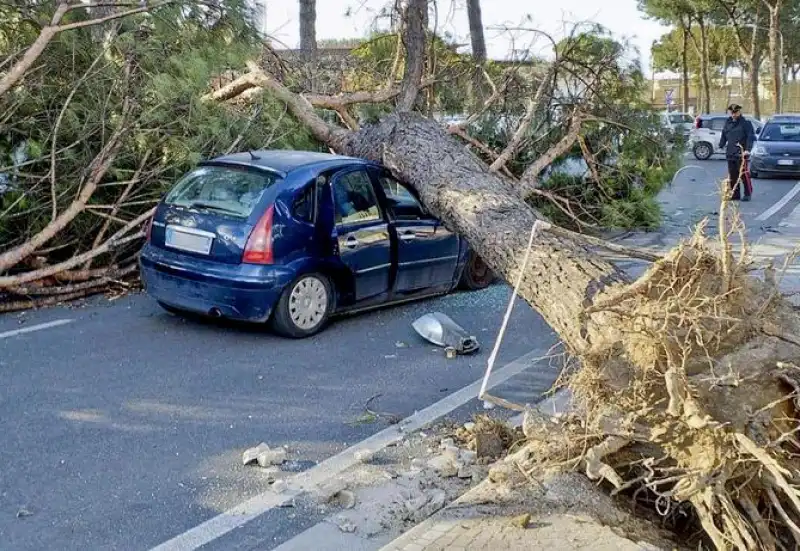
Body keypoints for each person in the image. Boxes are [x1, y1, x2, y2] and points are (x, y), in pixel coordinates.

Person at [719, 103, 755, 201]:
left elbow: (750, 137)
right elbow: (724, 134)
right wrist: (721, 144)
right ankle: (735, 194)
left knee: (743, 174)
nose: (734, 114)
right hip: (730, 152)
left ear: (739, 112)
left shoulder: (745, 123)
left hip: (741, 153)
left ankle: (748, 193)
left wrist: (748, 149)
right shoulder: (728, 122)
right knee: (733, 175)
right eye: (732, 112)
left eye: (736, 112)